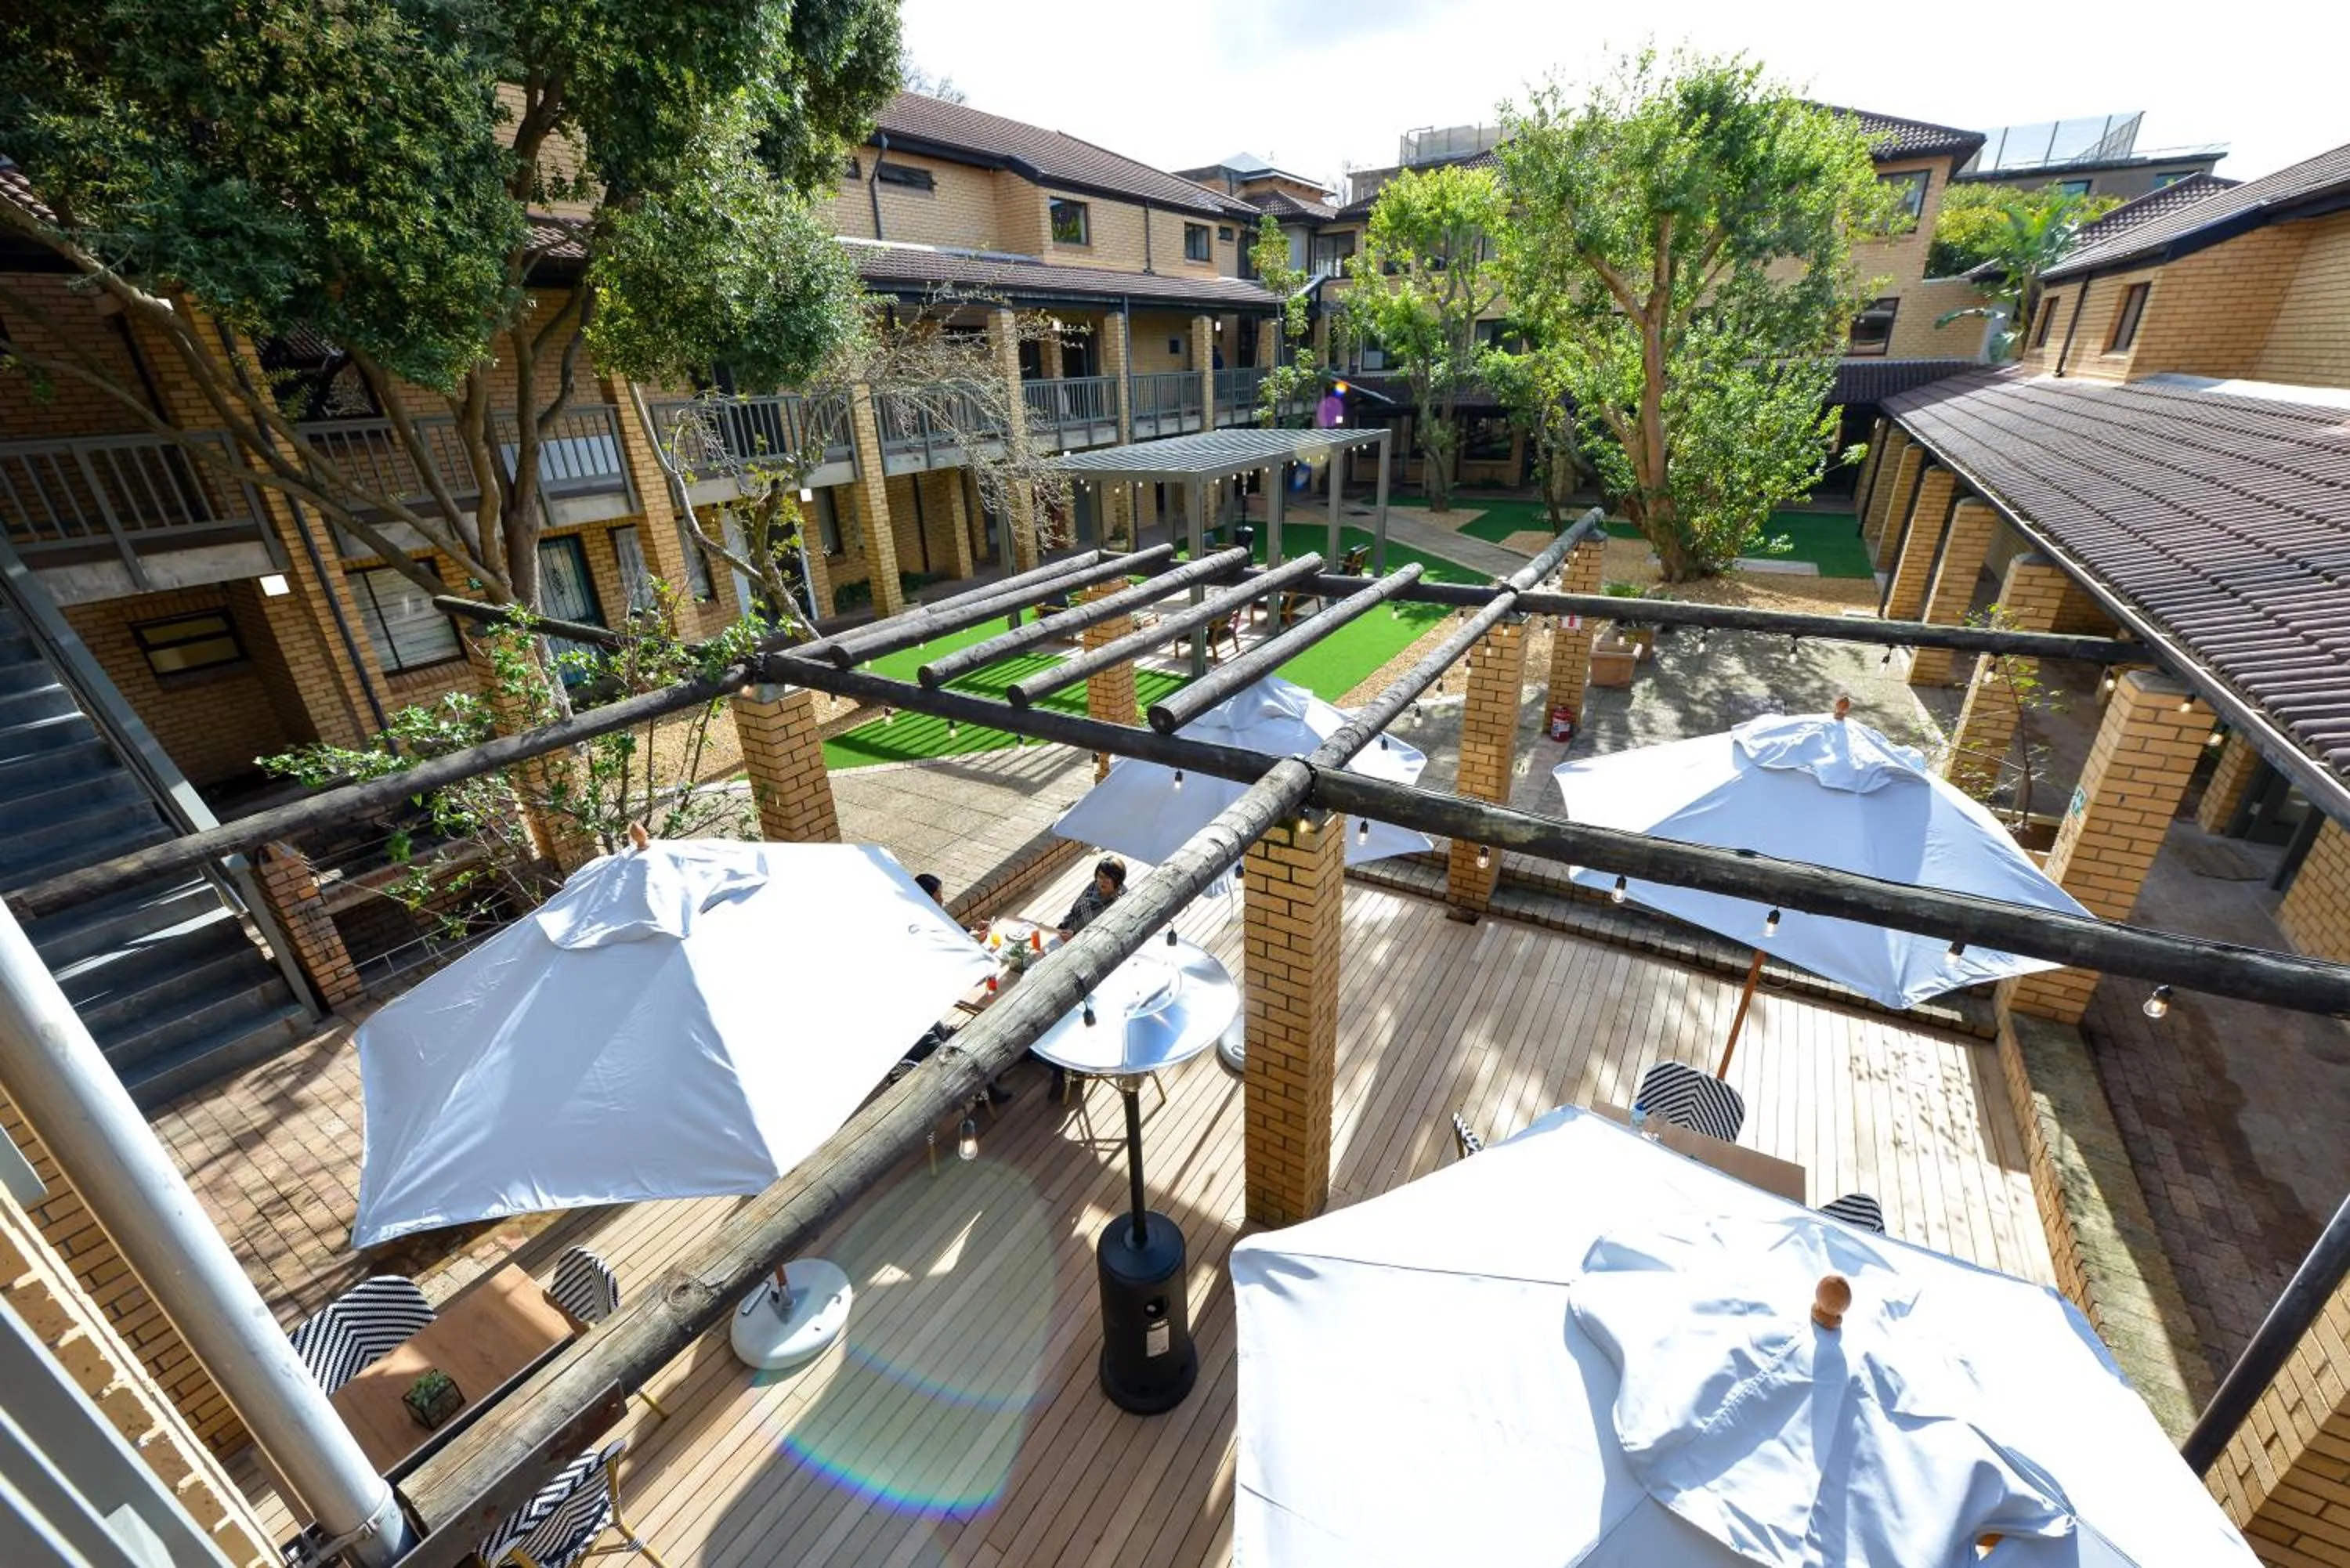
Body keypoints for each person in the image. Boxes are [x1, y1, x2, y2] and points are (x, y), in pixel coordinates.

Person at [907, 871, 1013, 1104]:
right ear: (926, 898)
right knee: (954, 1054)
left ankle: (991, 1071)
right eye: (938, 897)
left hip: (925, 1015)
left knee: (961, 1034)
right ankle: (987, 1090)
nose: (942, 901)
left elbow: (952, 931)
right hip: (912, 1032)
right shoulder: (918, 926)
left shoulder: (929, 914)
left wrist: (971, 931)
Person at [1056, 856, 1127, 940]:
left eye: (1107, 878)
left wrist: (1075, 937)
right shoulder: (1094, 886)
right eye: (1100, 876)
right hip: (1067, 931)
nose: (1102, 881)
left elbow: (1104, 937)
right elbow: (1075, 910)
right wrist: (1062, 927)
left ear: (1117, 880)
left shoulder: (1121, 903)